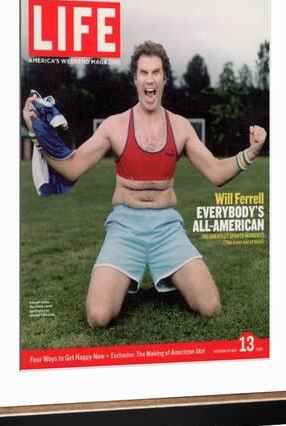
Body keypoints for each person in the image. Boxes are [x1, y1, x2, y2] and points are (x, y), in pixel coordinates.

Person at [22, 41, 267, 328]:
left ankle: (170, 276)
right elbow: (72, 167)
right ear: (135, 78)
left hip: (167, 227)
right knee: (98, 317)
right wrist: (35, 129)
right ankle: (122, 277)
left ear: (164, 78)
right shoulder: (114, 125)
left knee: (210, 306)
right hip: (125, 226)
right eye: (143, 73)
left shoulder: (180, 127)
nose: (149, 79)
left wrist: (249, 153)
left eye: (156, 73)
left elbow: (215, 172)